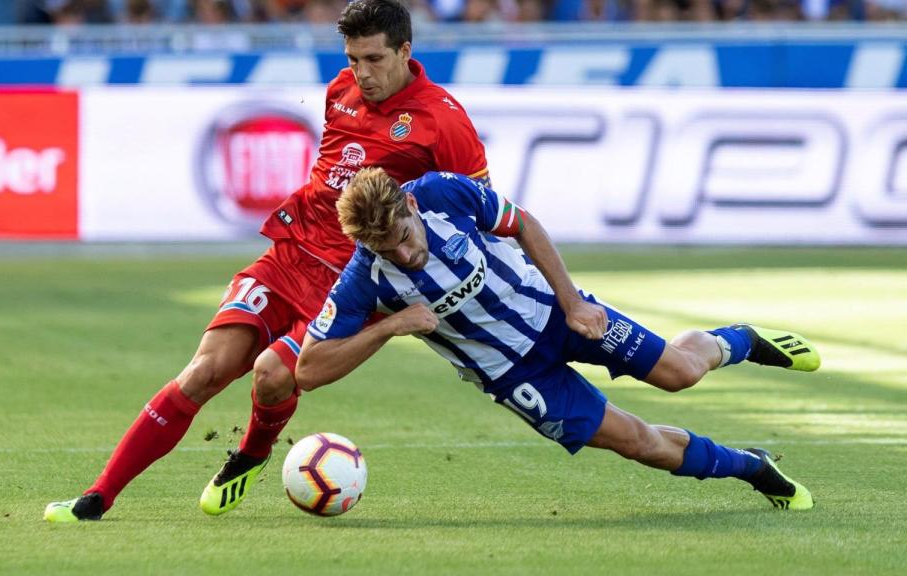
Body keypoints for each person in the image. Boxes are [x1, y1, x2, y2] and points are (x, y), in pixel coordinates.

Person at [44, 0, 489, 522]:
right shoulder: (339, 92)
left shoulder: (442, 119)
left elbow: (474, 208)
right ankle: (97, 498)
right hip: (289, 254)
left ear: (405, 51)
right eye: (353, 59)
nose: (361, 74)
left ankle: (252, 453)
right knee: (203, 371)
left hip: (352, 282)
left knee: (272, 373)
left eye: (373, 59)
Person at [295, 167, 820, 511]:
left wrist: (571, 300)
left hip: (552, 311)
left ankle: (744, 340)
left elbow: (522, 224)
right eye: (387, 251)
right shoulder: (365, 279)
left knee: (681, 373)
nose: (405, 255)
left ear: (409, 207)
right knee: (640, 444)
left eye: (405, 239)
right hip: (515, 377)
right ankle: (752, 466)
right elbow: (309, 370)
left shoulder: (440, 194)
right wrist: (389, 326)